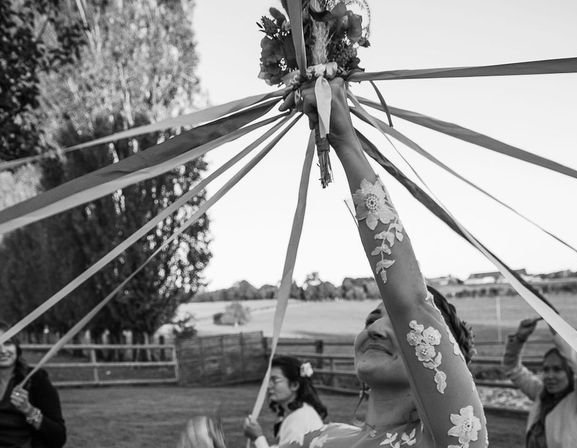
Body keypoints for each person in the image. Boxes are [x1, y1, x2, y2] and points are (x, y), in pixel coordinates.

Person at [177, 77, 488, 448]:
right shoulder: (320, 438)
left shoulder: (449, 437)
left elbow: (411, 303)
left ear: (436, 352)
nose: (374, 327)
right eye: (372, 318)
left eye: (398, 324)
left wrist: (344, 138)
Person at [502, 318, 577, 448]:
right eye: (546, 369)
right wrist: (519, 339)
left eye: (557, 369)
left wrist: (558, 330)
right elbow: (512, 368)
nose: (549, 376)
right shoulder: (540, 394)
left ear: (570, 372)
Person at [0, 321, 67, 448]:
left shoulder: (36, 380)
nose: (2, 351)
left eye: (7, 343)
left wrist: (29, 410)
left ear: (16, 347)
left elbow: (58, 438)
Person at [243, 356, 327, 448]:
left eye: (275, 380)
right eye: (269, 380)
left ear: (294, 385)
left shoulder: (299, 420)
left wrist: (257, 437)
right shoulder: (300, 413)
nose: (268, 386)